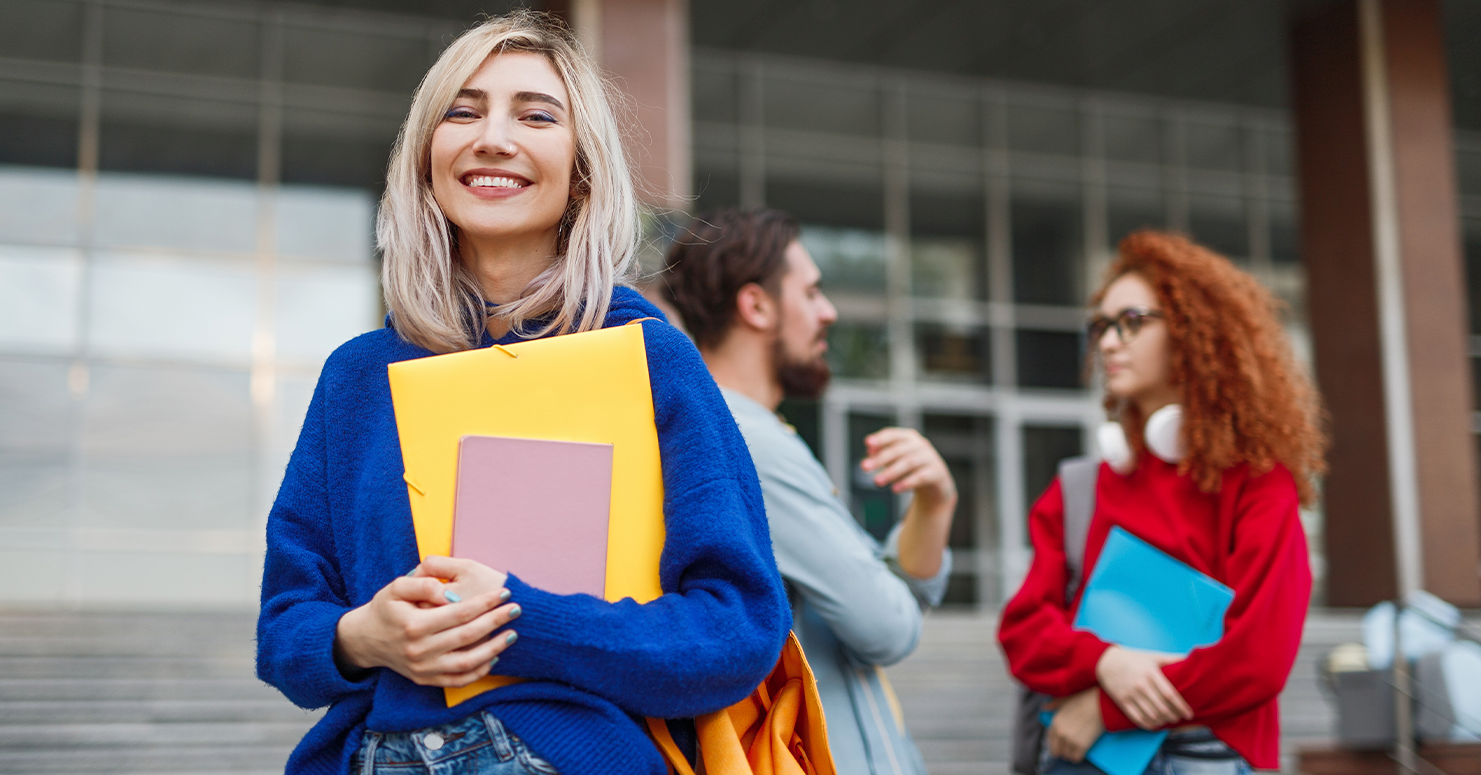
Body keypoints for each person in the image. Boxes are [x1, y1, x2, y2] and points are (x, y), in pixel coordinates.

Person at [255, 13, 790, 775]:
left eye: (536, 115)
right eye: (462, 111)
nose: (493, 138)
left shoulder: (648, 359)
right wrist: (360, 636)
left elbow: (737, 628)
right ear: (425, 157)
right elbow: (285, 626)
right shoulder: (357, 377)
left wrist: (520, 620)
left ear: (581, 170)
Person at [998, 229, 1326, 775]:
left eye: (1131, 322)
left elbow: (1258, 659)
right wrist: (1107, 660)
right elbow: (1023, 631)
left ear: (1195, 332)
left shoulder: (1258, 484)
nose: (1106, 343)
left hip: (1201, 758)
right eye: (1101, 326)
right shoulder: (1081, 489)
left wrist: (1107, 708)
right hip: (1086, 761)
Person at [661, 207, 956, 775]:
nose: (830, 312)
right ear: (757, 306)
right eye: (813, 292)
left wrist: (935, 501)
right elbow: (886, 627)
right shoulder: (751, 442)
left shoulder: (724, 430)